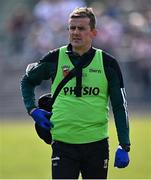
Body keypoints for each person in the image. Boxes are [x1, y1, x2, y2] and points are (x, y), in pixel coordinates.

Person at [20, 7, 130, 179]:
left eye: (81, 28)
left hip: (97, 145)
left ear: (93, 32)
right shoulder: (55, 58)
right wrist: (32, 109)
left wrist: (124, 145)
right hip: (63, 144)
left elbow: (119, 106)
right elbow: (27, 81)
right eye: (72, 28)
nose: (75, 32)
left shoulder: (108, 63)